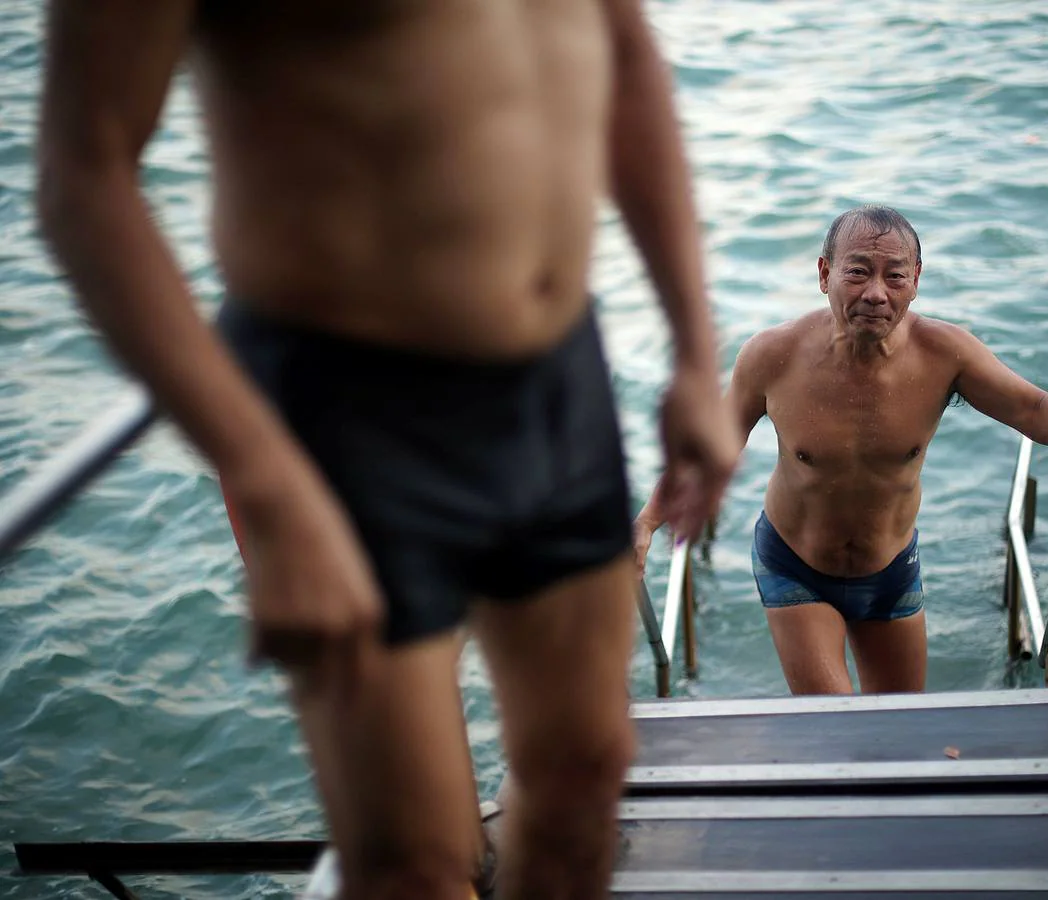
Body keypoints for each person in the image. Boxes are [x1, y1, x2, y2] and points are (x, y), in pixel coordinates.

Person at [36, 2, 738, 899]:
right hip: (344, 419)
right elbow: (83, 172)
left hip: (558, 378)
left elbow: (624, 55)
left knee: (583, 778)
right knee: (411, 867)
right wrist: (270, 484)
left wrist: (693, 350)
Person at [634, 205, 1048, 697]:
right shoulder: (772, 356)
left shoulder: (945, 353)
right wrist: (647, 523)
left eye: (895, 276)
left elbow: (1035, 410)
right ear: (825, 274)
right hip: (794, 563)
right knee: (839, 729)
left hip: (890, 569)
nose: (876, 293)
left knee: (898, 732)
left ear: (916, 280)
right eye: (857, 272)